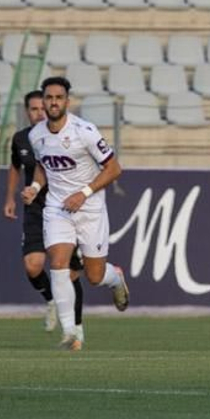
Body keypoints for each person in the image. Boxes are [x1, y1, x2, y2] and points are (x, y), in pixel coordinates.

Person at [21, 76, 129, 351]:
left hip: (89, 208)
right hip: (57, 206)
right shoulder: (36, 135)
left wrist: (84, 193)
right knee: (58, 263)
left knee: (94, 276)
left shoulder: (85, 131)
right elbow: (44, 166)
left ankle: (115, 277)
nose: (53, 102)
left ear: (67, 102)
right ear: (43, 101)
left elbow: (114, 169)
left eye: (59, 97)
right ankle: (70, 333)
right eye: (49, 97)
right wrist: (34, 187)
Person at [4, 88, 84, 336]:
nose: (40, 113)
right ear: (27, 112)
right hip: (36, 209)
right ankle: (50, 300)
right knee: (33, 265)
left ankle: (75, 329)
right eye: (34, 109)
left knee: (69, 272)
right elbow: (16, 166)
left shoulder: (68, 135)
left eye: (43, 107)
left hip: (65, 208)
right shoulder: (21, 139)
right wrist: (10, 197)